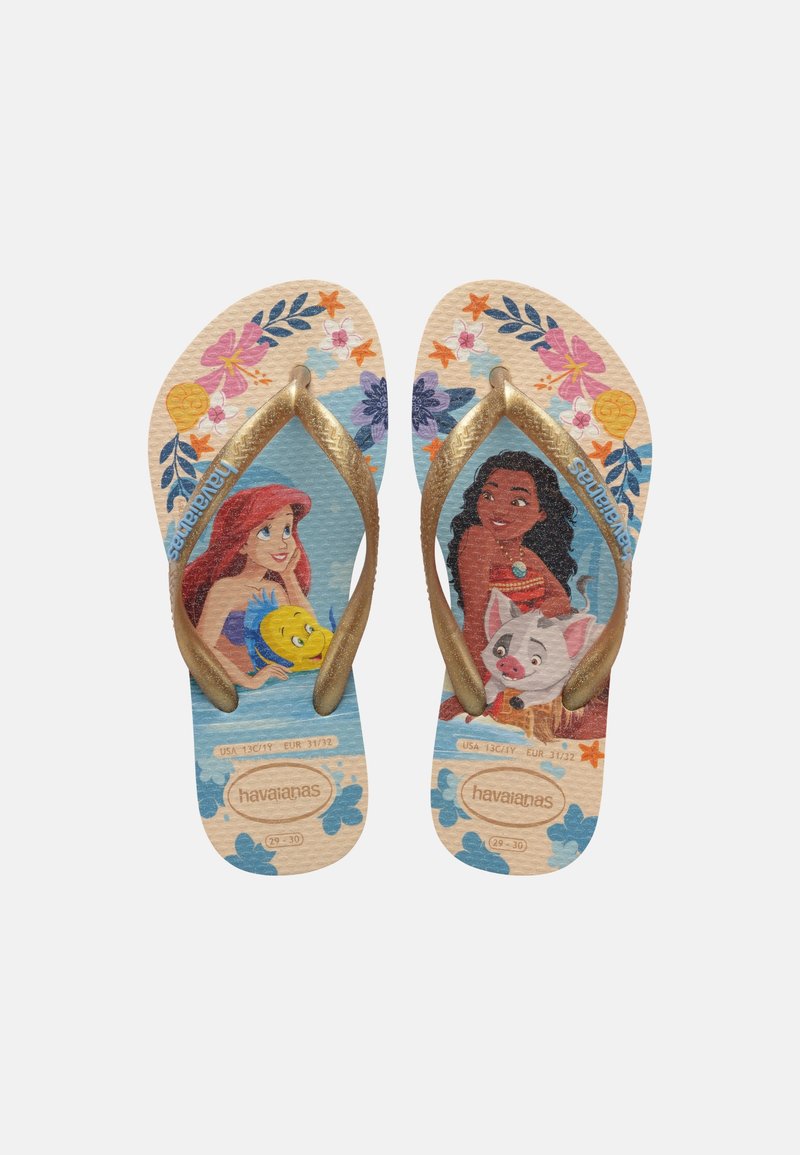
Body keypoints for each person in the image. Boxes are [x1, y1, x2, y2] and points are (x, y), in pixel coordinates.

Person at [182, 485, 314, 689]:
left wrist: (289, 577)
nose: (282, 543)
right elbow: (203, 647)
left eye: (286, 530)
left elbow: (308, 630)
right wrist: (249, 681)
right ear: (242, 544)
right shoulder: (225, 589)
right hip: (233, 684)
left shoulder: (275, 590)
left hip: (271, 682)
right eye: (266, 532)